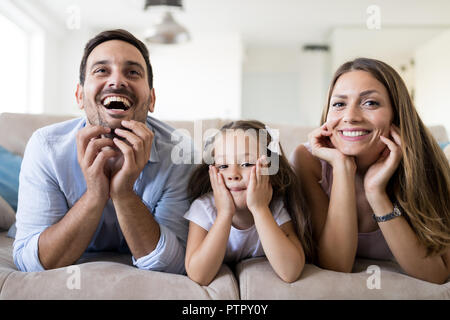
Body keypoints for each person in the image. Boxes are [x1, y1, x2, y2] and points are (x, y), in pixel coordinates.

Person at [13, 29, 194, 273]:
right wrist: (95, 194)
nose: (117, 81)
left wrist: (123, 193)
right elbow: (32, 262)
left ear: (151, 99)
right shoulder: (46, 147)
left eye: (132, 72)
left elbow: (174, 265)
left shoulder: (179, 153)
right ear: (79, 95)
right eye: (101, 70)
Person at [291, 57, 450, 284]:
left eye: (370, 103)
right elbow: (337, 266)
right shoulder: (309, 160)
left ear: (396, 113)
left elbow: (437, 274)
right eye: (339, 104)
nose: (351, 116)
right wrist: (343, 168)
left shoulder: (424, 162)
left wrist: (376, 192)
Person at [184, 120, 314, 285]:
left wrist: (259, 209)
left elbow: (290, 272)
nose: (233, 174)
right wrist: (224, 213)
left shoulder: (274, 207)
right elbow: (199, 275)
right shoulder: (203, 208)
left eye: (246, 164)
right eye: (223, 166)